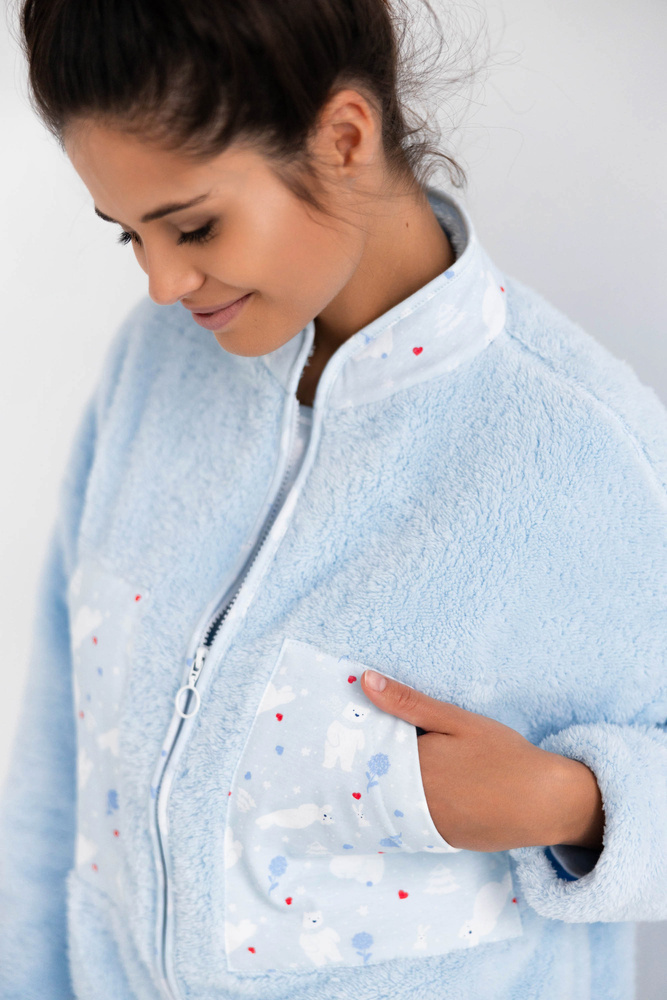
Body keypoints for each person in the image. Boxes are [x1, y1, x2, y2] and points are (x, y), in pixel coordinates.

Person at [1, 1, 666, 998]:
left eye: (193, 226)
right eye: (127, 235)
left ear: (344, 138)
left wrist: (571, 802)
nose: (162, 282)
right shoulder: (155, 368)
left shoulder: (586, 452)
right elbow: (58, 764)